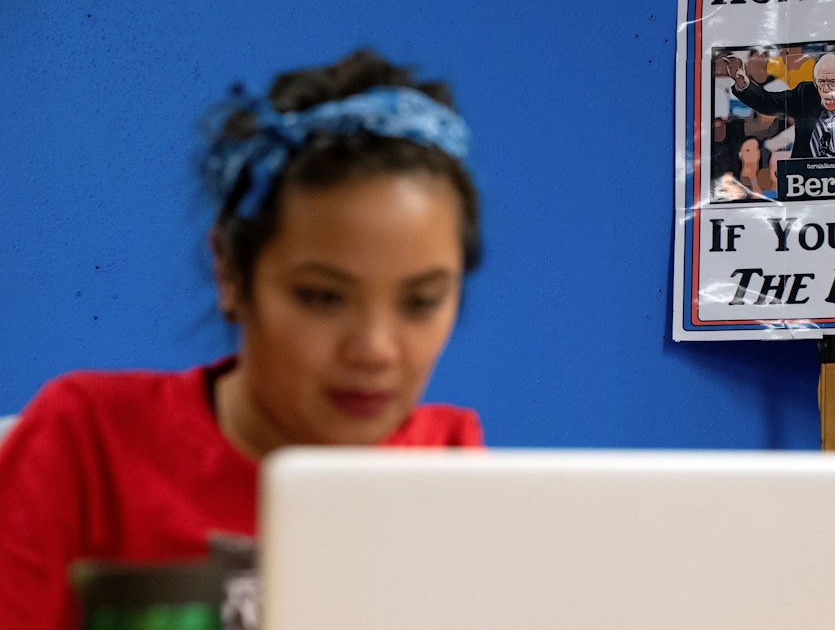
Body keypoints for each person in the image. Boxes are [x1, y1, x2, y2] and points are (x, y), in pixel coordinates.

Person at [0, 49, 485, 629]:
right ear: (231, 273)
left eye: (421, 303)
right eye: (322, 297)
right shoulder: (87, 441)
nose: (375, 349)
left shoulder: (451, 465)